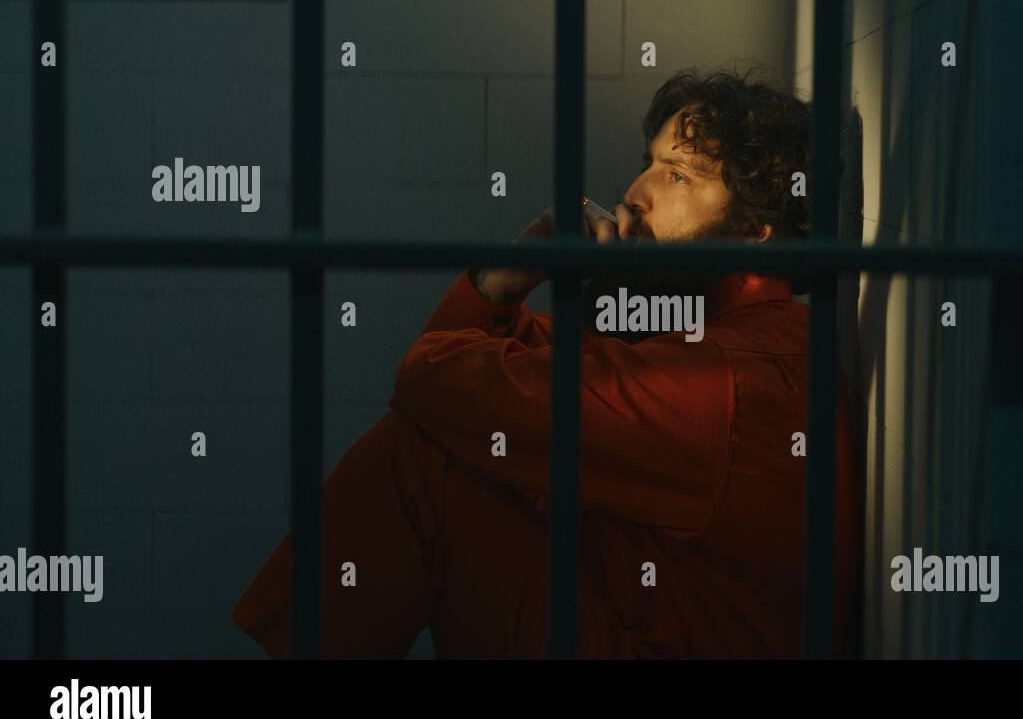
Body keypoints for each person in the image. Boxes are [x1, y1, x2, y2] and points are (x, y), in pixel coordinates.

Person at [232, 68, 863, 658]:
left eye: (676, 176)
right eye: (647, 164)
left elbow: (429, 379)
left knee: (422, 462)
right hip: (640, 625)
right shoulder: (741, 337)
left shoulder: (723, 379)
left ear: (756, 228)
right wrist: (520, 266)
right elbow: (473, 372)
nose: (634, 194)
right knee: (446, 441)